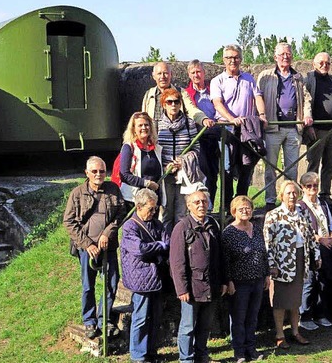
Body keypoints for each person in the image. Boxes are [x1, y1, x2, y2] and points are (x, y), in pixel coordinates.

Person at [63, 156, 126, 339]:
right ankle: (89, 321)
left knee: (112, 282)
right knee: (88, 286)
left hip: (109, 247)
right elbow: (69, 222)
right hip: (87, 249)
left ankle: (104, 318)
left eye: (102, 171)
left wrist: (108, 232)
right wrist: (87, 244)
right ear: (87, 173)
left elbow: (121, 213)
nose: (99, 174)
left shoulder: (113, 189)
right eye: (94, 171)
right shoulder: (77, 193)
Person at [170, 190, 226, 363]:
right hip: (192, 287)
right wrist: (182, 288)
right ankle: (186, 359)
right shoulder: (182, 227)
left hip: (212, 285)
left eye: (204, 201)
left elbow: (221, 256)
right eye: (197, 202)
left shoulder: (213, 225)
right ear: (189, 206)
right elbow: (177, 261)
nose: (201, 205)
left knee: (205, 325)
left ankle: (202, 356)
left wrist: (223, 281)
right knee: (187, 327)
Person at [255, 42, 312, 211]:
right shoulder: (266, 76)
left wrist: (307, 114)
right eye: (281, 55)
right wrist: (262, 115)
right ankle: (270, 201)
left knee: (292, 168)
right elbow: (258, 96)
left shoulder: (298, 77)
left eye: (288, 54)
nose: (285, 57)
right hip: (273, 128)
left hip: (294, 128)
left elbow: (306, 98)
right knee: (270, 167)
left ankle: (290, 201)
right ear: (275, 57)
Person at [264, 180, 319, 349]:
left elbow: (311, 236)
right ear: (281, 195)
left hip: (301, 259)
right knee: (280, 300)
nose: (292, 196)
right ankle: (280, 334)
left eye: (294, 192)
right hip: (282, 262)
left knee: (296, 300)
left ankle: (295, 331)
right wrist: (271, 264)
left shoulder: (303, 213)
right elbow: (268, 243)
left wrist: (316, 254)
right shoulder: (273, 215)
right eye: (288, 193)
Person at [211, 44, 264, 209]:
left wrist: (262, 115)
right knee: (226, 167)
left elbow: (258, 97)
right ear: (223, 60)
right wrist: (231, 119)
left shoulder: (249, 78)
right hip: (226, 128)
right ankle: (226, 207)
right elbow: (217, 104)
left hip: (246, 128)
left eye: (236, 57)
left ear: (240, 59)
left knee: (246, 166)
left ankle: (241, 204)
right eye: (229, 58)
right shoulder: (217, 80)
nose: (232, 60)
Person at [120, 189, 169, 362]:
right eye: (150, 209)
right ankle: (138, 355)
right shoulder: (130, 226)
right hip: (140, 278)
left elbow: (168, 243)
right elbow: (139, 249)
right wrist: (158, 246)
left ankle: (151, 352)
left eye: (155, 209)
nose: (153, 212)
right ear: (139, 207)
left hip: (156, 277)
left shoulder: (157, 224)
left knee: (155, 318)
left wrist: (156, 247)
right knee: (140, 318)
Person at [221, 196, 269, 362]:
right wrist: (229, 281)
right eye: (241, 209)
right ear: (234, 211)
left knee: (253, 316)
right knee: (239, 318)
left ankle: (251, 349)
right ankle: (239, 352)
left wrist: (267, 274)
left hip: (257, 279)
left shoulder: (256, 229)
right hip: (239, 283)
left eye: (248, 208)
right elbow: (225, 260)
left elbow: (263, 253)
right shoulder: (229, 233)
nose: (245, 211)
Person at [156, 88, 202, 232]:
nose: (173, 105)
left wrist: (183, 161)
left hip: (184, 175)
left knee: (182, 213)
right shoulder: (156, 124)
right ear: (164, 104)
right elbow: (154, 149)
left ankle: (182, 242)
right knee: (166, 213)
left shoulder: (189, 123)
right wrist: (165, 165)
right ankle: (166, 247)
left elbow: (196, 148)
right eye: (169, 102)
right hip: (166, 174)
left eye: (176, 102)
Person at [297, 172, 332, 331]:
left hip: (326, 247)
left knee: (323, 281)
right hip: (311, 248)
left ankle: (321, 314)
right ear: (303, 188)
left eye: (315, 185)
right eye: (309, 186)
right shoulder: (301, 206)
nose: (312, 188)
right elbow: (302, 228)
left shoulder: (323, 204)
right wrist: (320, 239)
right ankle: (305, 316)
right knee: (309, 282)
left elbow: (331, 223)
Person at [304, 52, 332, 200]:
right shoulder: (309, 80)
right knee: (313, 163)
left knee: (330, 165)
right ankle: (309, 195)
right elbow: (305, 103)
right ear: (314, 64)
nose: (324, 65)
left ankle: (325, 194)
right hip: (317, 129)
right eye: (321, 62)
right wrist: (309, 127)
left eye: (327, 63)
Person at [185, 60, 220, 208]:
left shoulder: (213, 89)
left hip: (217, 134)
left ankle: (217, 204)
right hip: (199, 137)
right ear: (189, 75)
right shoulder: (187, 93)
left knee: (216, 171)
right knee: (203, 171)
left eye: (198, 71)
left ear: (204, 73)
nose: (196, 75)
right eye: (193, 72)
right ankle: (205, 205)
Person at [141, 61, 212, 128]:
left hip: (176, 137)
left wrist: (203, 119)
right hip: (154, 137)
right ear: (154, 76)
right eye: (159, 74)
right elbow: (144, 117)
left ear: (171, 74)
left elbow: (191, 109)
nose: (162, 77)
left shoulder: (181, 92)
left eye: (165, 73)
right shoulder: (149, 94)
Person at [119, 112, 163, 210]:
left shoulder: (157, 148)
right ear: (134, 129)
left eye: (146, 125)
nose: (144, 128)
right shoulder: (128, 148)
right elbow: (124, 175)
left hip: (153, 199)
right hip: (134, 200)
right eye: (140, 125)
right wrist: (147, 183)